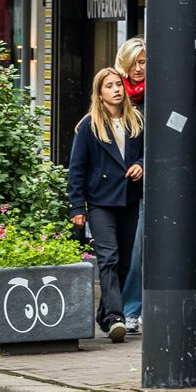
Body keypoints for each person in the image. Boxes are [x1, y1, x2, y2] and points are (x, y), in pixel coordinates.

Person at [67, 68, 145, 343]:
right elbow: (76, 169)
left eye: (118, 85)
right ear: (99, 94)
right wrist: (77, 207)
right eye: (109, 86)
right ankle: (115, 317)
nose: (116, 89)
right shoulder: (89, 126)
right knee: (109, 259)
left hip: (129, 199)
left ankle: (105, 314)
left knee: (124, 263)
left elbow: (150, 152)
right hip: (100, 202)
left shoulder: (136, 121)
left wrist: (141, 165)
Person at [114, 37, 147, 334]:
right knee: (121, 250)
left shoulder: (156, 94)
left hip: (145, 184)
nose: (139, 68)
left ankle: (131, 309)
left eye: (144, 62)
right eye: (135, 62)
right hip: (116, 185)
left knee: (138, 249)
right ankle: (117, 309)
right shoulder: (114, 92)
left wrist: (145, 163)